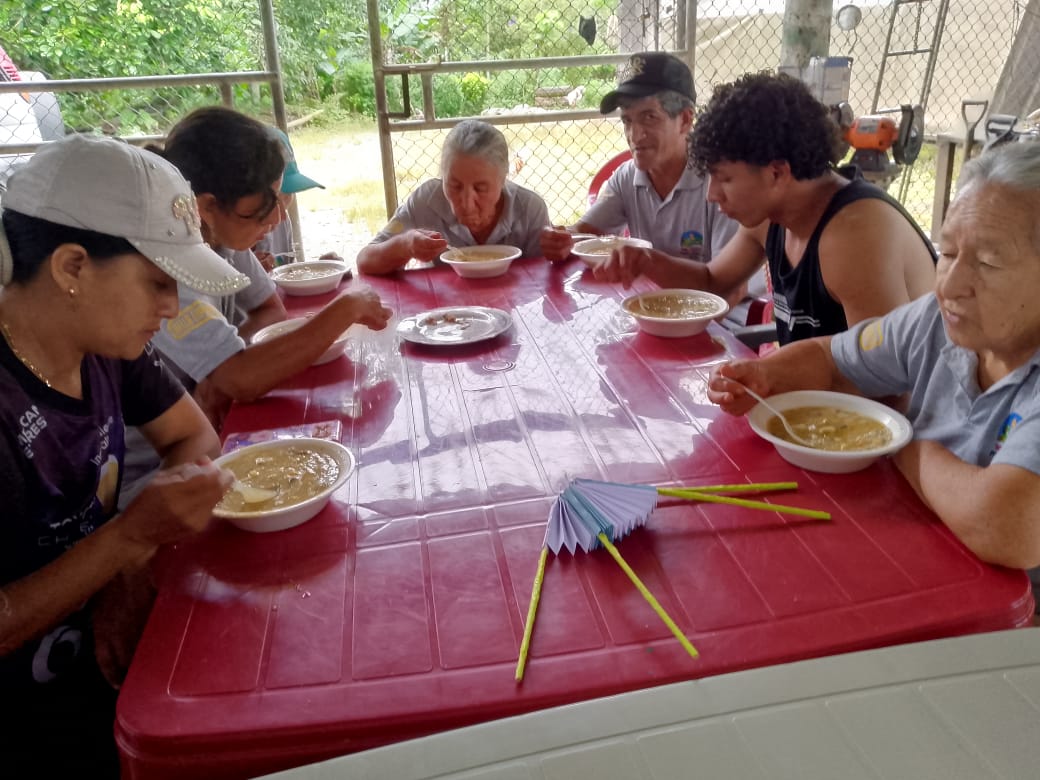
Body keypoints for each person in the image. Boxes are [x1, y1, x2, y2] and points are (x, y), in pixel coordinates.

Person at [0, 134, 241, 774]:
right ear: (72, 268)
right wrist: (128, 540)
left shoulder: (105, 347)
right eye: (157, 282)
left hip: (102, 661)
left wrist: (126, 564)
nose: (171, 307)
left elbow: (196, 438)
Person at [707, 141, 1040, 592]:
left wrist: (906, 442)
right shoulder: (934, 321)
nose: (951, 285)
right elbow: (832, 361)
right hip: (916, 552)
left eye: (987, 262)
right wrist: (766, 375)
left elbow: (1004, 526)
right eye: (947, 253)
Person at [120, 107, 392, 501]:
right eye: (264, 207)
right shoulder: (169, 272)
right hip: (155, 477)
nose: (279, 217)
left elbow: (269, 311)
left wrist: (221, 366)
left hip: (208, 436)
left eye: (280, 199)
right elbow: (243, 380)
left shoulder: (221, 236)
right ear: (205, 206)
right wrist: (344, 310)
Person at [595, 71, 938, 346]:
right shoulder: (772, 219)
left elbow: (889, 382)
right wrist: (647, 260)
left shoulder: (854, 236)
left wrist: (781, 375)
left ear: (776, 173)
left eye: (724, 179)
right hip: (823, 399)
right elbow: (712, 282)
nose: (712, 195)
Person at [540, 51, 738, 266]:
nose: (634, 136)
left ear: (685, 120)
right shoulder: (627, 178)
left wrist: (647, 264)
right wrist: (561, 241)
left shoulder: (721, 181)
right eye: (627, 121)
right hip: (648, 289)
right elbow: (585, 233)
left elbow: (728, 281)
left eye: (649, 117)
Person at [357, 119, 549, 274]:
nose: (466, 204)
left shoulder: (529, 209)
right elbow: (365, 261)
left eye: (480, 188)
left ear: (503, 178)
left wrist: (558, 251)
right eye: (454, 186)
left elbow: (546, 275)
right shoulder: (426, 202)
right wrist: (405, 244)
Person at [252, 126, 340, 272]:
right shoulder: (230, 249)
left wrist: (317, 270)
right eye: (271, 201)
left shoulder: (282, 220)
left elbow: (286, 271)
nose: (279, 216)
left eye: (288, 194)